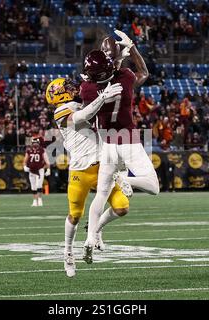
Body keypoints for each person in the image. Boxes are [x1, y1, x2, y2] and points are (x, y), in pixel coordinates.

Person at [80, 30, 159, 264]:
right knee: (153, 186)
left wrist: (114, 59)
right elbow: (143, 71)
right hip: (129, 139)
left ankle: (90, 237)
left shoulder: (87, 89)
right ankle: (124, 181)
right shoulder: (124, 76)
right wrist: (131, 47)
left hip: (107, 144)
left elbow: (92, 90)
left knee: (101, 196)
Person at [46, 77, 129, 277]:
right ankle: (67, 252)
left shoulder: (80, 102)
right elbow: (83, 116)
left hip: (102, 167)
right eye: (67, 88)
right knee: (74, 215)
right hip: (80, 171)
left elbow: (99, 109)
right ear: (58, 94)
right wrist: (102, 98)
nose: (72, 88)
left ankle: (96, 228)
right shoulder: (61, 111)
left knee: (122, 208)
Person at [23, 137, 51, 207]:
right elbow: (25, 160)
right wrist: (25, 166)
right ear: (32, 143)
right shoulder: (29, 150)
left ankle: (40, 199)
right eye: (34, 143)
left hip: (39, 170)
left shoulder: (42, 150)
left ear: (38, 143)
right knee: (33, 186)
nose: (35, 144)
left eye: (36, 143)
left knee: (39, 185)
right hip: (31, 170)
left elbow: (47, 161)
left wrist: (48, 169)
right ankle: (35, 201)